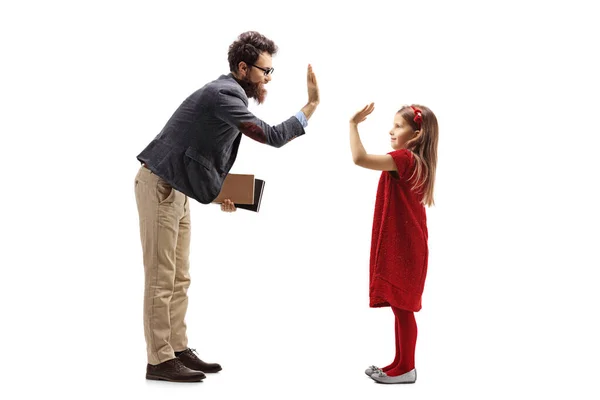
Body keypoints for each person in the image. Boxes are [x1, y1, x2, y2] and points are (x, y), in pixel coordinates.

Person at [134, 31, 320, 382]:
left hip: (175, 188)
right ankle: (158, 361)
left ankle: (175, 348)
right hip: (159, 186)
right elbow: (273, 136)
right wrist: (310, 106)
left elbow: (197, 153)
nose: (268, 78)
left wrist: (219, 191)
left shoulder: (229, 95)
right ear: (242, 67)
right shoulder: (225, 95)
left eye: (270, 71)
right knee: (161, 277)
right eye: (265, 71)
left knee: (179, 277)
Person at [348, 102, 438, 384]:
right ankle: (400, 363)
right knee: (401, 309)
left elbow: (360, 158)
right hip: (408, 243)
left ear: (416, 134)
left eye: (398, 126)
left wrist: (352, 124)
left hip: (405, 245)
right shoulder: (414, 160)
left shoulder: (405, 159)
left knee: (404, 309)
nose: (391, 130)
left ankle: (407, 368)